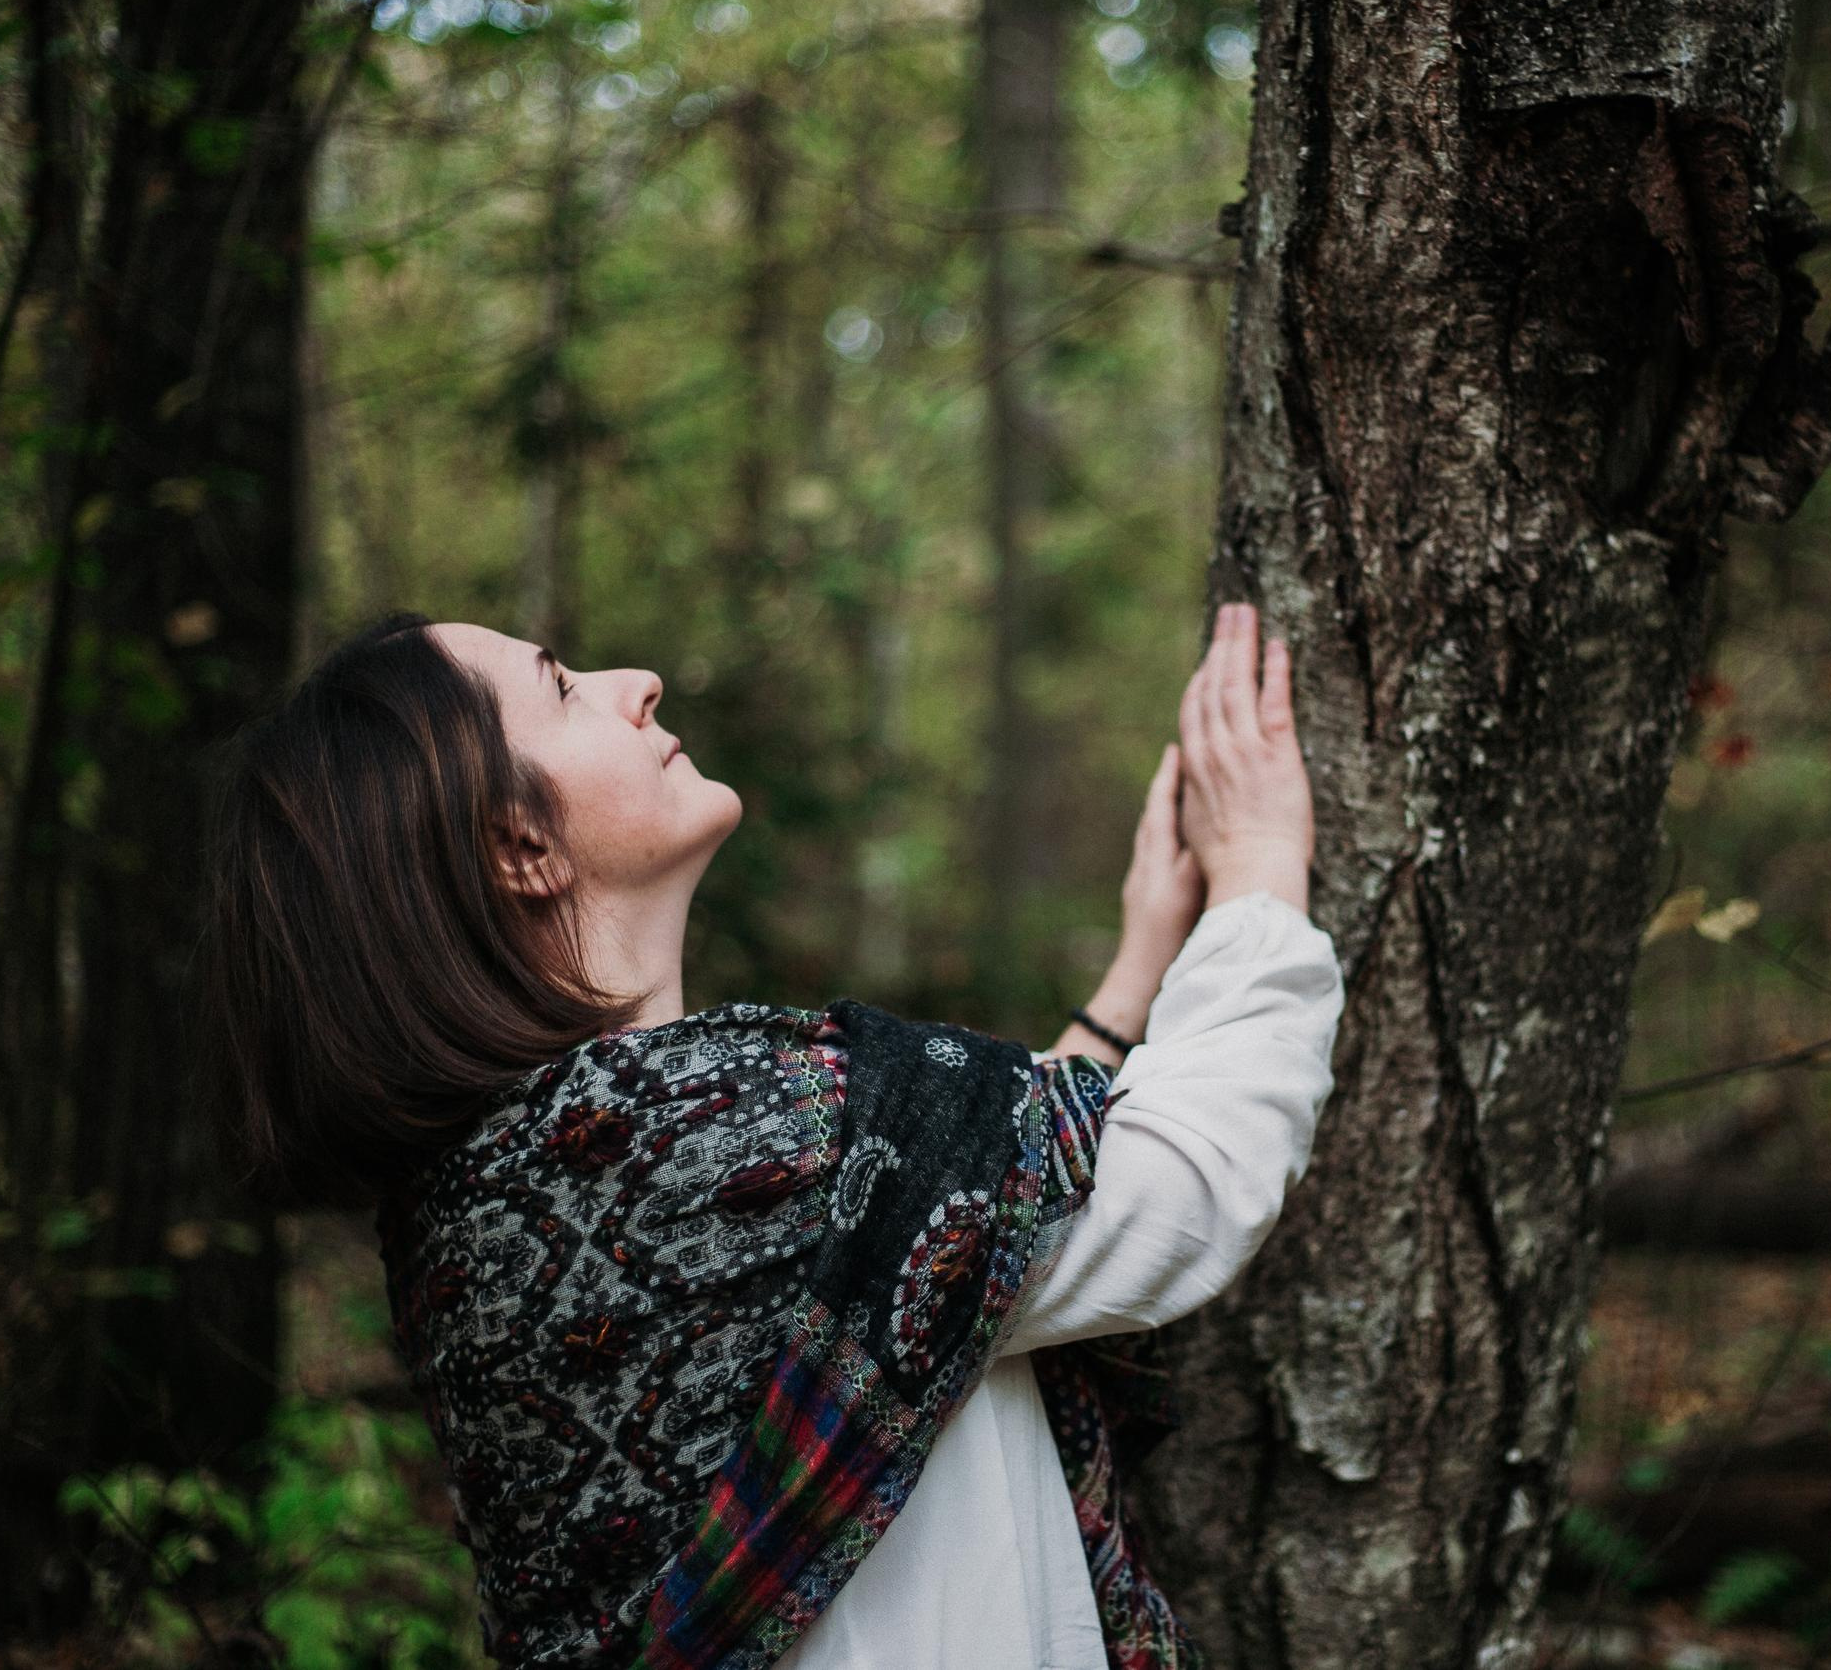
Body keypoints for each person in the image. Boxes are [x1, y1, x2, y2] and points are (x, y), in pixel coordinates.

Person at [197, 599, 1345, 1670]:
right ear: (520, 850)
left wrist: (1130, 984)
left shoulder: (511, 1193)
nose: (633, 683)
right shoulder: (712, 1140)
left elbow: (933, 1250)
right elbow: (1186, 1189)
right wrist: (1257, 868)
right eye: (558, 688)